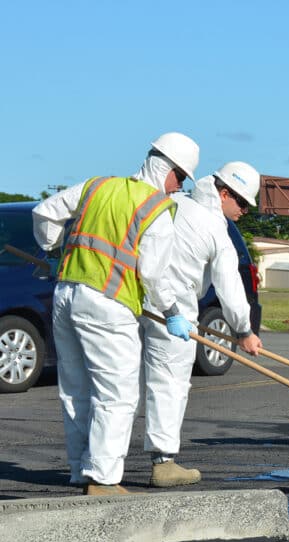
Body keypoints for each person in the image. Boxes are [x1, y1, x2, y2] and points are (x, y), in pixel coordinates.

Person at [32, 132, 200, 495]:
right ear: (165, 167)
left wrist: (51, 248)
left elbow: (44, 212)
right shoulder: (156, 209)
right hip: (107, 305)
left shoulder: (97, 186)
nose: (179, 187)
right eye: (181, 177)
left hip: (65, 294)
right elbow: (152, 274)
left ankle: (81, 470)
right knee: (117, 395)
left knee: (76, 390)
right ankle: (104, 479)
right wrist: (173, 311)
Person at [139, 161, 264, 487]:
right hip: (175, 310)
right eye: (242, 204)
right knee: (169, 384)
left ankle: (92, 466)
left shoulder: (172, 202)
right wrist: (244, 332)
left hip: (135, 301)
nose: (244, 212)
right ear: (224, 193)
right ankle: (163, 463)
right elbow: (230, 288)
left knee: (118, 387)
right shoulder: (214, 227)